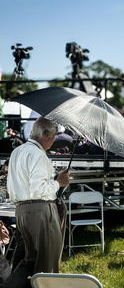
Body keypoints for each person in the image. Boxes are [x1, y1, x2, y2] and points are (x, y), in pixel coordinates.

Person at [2, 117, 69, 288]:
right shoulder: (37, 154)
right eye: (53, 136)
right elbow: (39, 191)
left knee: (29, 260)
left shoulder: (18, 151)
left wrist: (52, 182)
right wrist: (58, 183)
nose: (54, 140)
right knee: (46, 263)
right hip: (39, 210)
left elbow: (17, 185)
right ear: (45, 134)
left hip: (22, 210)